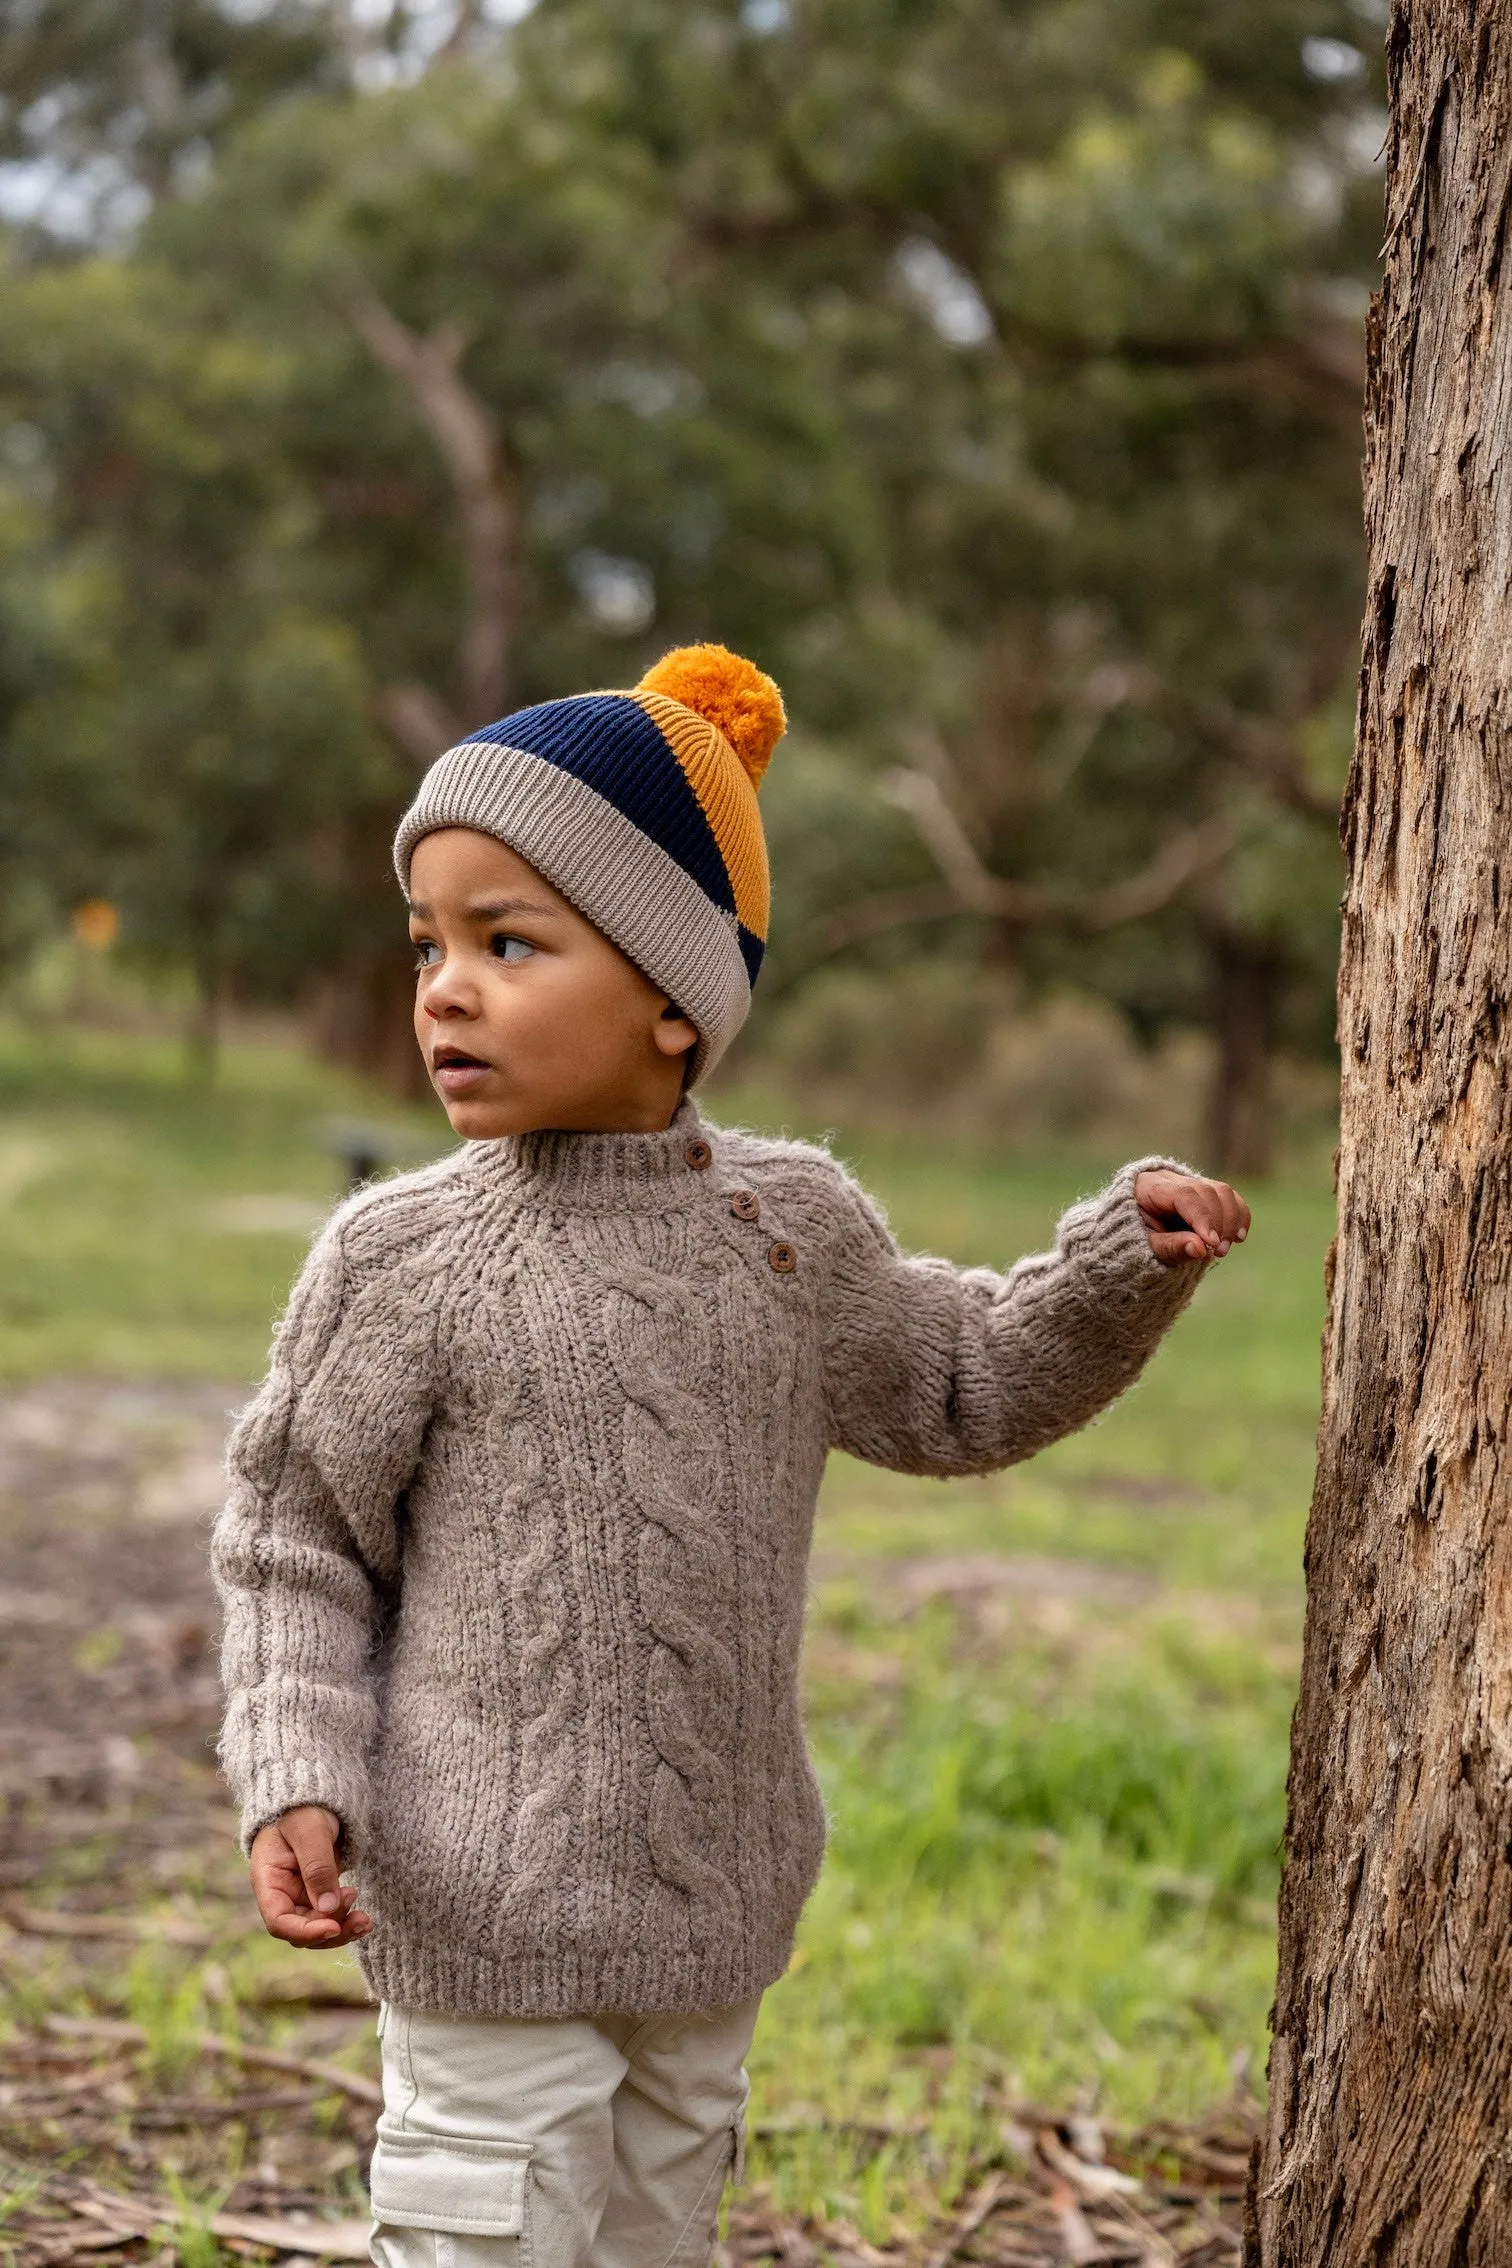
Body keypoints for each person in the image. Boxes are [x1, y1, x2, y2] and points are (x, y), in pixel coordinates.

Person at [212, 644, 1248, 2268]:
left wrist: (1116, 1262)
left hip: (712, 1906)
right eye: (429, 943)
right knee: (484, 2227)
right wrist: (296, 1769)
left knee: (654, 2230)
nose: (442, 987)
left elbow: (963, 1384)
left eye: (508, 941)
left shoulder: (790, 1234)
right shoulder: (396, 1260)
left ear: (675, 994)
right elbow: (297, 1539)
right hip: (476, 1910)